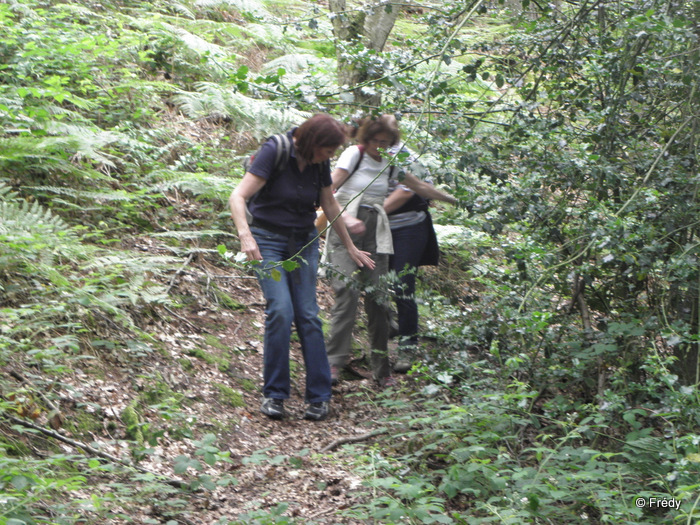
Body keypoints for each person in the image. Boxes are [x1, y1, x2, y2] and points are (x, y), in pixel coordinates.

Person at [229, 114, 375, 421]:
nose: (330, 157)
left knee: (308, 314)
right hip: (267, 240)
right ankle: (275, 394)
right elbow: (238, 196)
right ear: (312, 142)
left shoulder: (318, 161)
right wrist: (246, 236)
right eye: (327, 151)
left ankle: (319, 396)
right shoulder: (276, 150)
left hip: (304, 242)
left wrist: (350, 247)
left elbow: (329, 203)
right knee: (280, 310)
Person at [325, 115, 457, 388]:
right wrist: (346, 218)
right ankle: (333, 364)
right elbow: (327, 187)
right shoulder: (354, 155)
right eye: (376, 141)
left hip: (376, 233)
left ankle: (381, 369)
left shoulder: (391, 162)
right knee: (347, 291)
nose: (380, 147)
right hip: (344, 228)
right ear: (366, 139)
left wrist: (451, 198)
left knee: (380, 298)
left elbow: (417, 186)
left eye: (386, 143)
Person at [384, 143, 450, 373]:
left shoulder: (402, 155)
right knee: (372, 279)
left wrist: (376, 211)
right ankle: (389, 323)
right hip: (376, 229)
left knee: (402, 284)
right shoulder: (360, 155)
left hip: (408, 228)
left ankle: (407, 346)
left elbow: (415, 187)